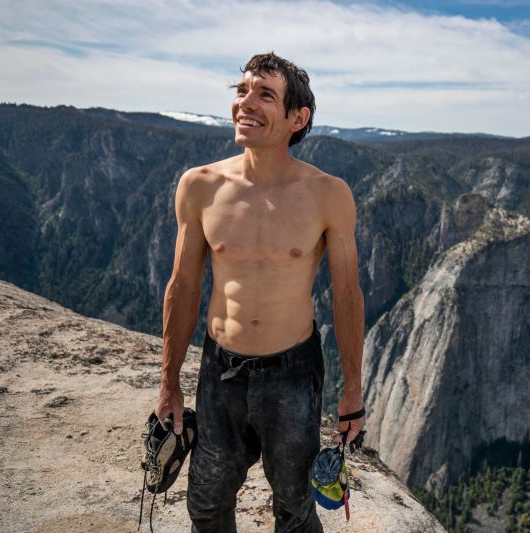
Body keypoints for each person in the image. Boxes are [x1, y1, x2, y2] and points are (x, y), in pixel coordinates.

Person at [153, 52, 366, 533]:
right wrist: (169, 383)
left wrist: (352, 390)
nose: (245, 102)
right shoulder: (200, 186)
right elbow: (183, 287)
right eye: (242, 89)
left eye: (265, 94)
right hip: (220, 369)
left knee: (294, 505)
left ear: (297, 118)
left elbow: (347, 293)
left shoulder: (329, 195)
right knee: (206, 504)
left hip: (293, 373)